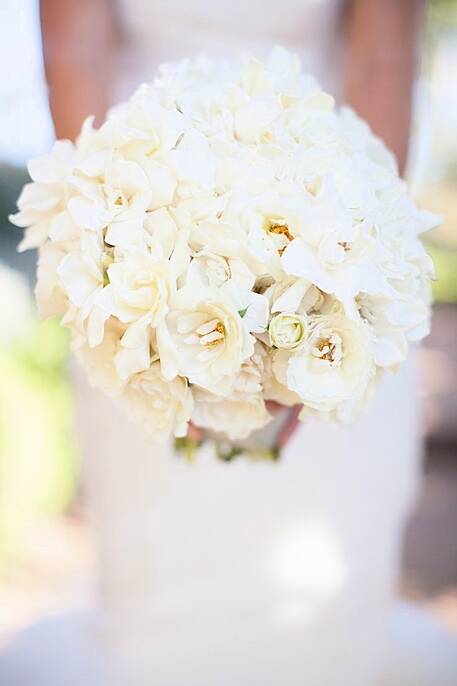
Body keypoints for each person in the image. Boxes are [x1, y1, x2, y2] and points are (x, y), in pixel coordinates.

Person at [36, 1, 457, 685]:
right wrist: (120, 258)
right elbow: (75, 56)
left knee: (330, 605)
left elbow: (383, 59)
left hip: (325, 213)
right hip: (141, 222)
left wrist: (341, 295)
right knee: (163, 594)